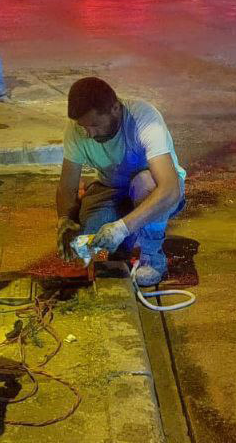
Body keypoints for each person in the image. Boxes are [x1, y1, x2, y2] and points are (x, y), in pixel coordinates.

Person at [56, 77, 186, 286]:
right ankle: (127, 238)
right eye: (83, 127)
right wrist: (64, 219)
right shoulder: (77, 130)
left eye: (95, 125)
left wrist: (121, 228)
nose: (89, 133)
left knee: (145, 184)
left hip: (150, 188)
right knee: (89, 237)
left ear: (115, 109)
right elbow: (66, 186)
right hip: (111, 188)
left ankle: (152, 256)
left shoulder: (144, 119)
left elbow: (170, 189)